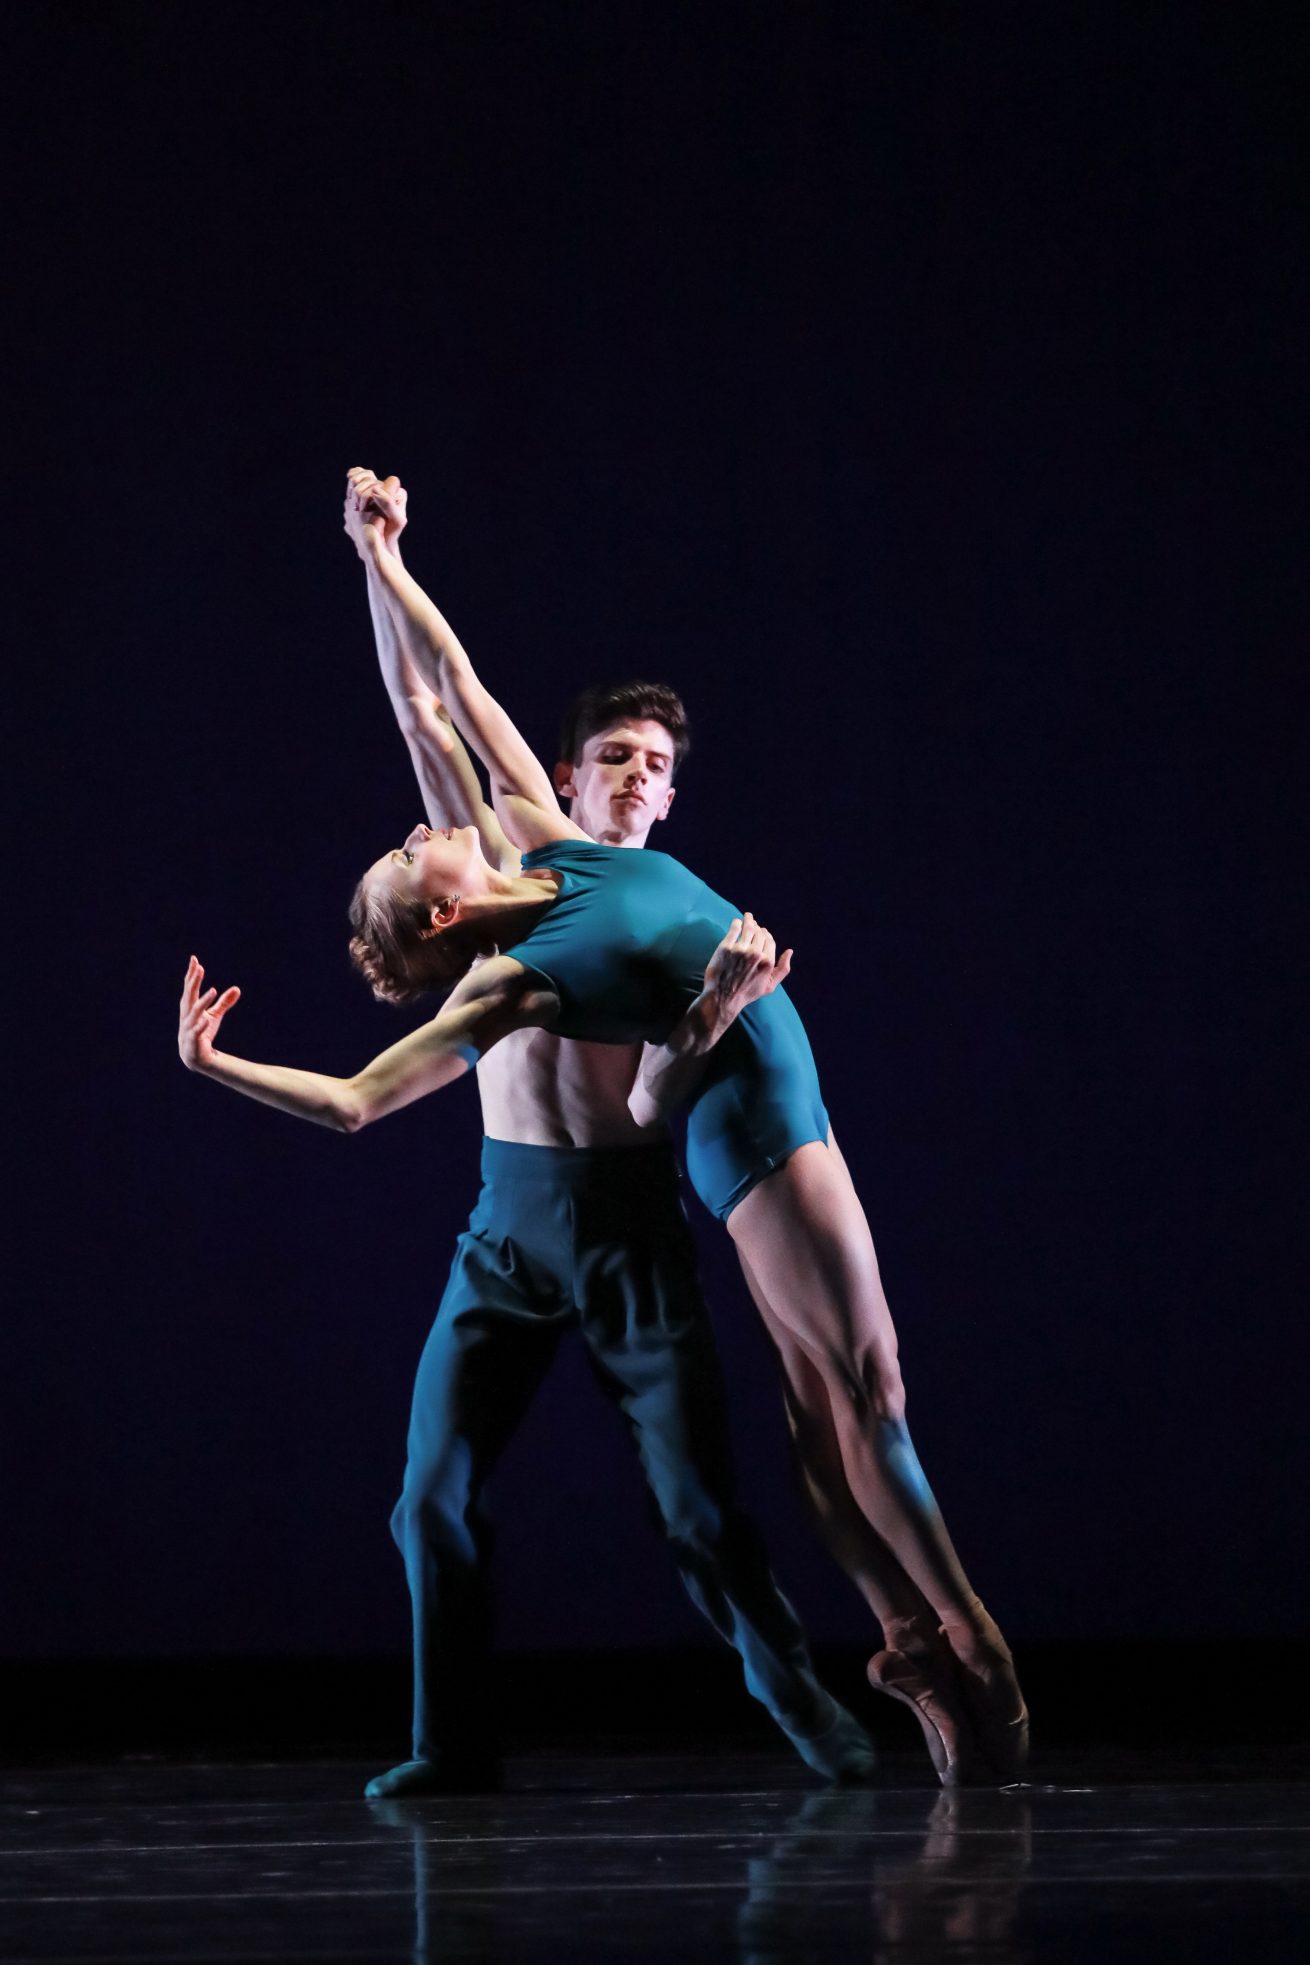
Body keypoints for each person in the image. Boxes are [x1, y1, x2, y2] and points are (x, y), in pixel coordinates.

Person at [179, 470, 1028, 1787]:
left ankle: (842, 1699)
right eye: (415, 849)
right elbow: (368, 1084)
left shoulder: (550, 848)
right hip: (546, 1205)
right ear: (445, 909)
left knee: (744, 1477)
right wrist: (215, 1058)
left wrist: (382, 551)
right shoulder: (510, 948)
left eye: (654, 763)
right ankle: (462, 1744)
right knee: (459, 1491)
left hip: (639, 1202)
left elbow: (447, 681)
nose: (422, 825)